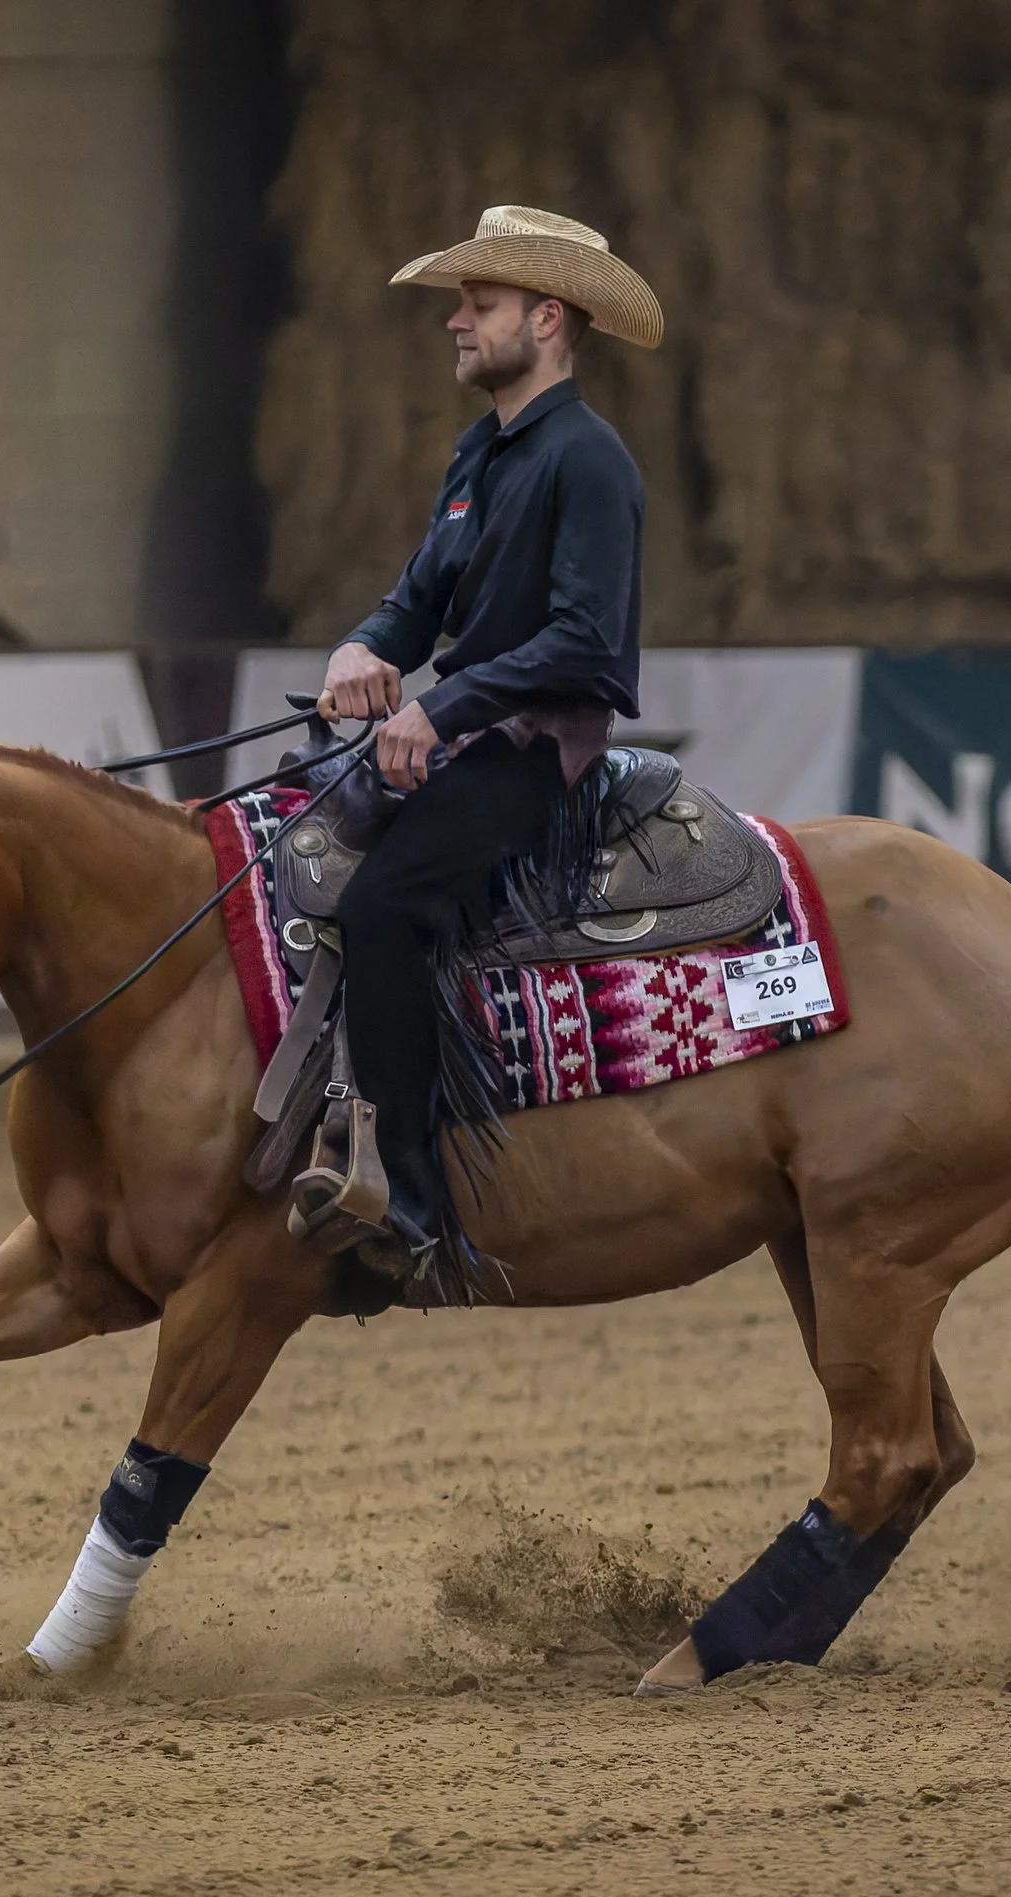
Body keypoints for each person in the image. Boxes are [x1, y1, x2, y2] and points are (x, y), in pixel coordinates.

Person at [313, 206, 664, 1256]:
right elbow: (418, 600)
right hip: (469, 733)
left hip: (532, 753)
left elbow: (585, 643)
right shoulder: (481, 454)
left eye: (481, 303)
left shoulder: (590, 461)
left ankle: (410, 1202)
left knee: (383, 906)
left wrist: (439, 706)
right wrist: (361, 648)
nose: (455, 322)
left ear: (546, 319)